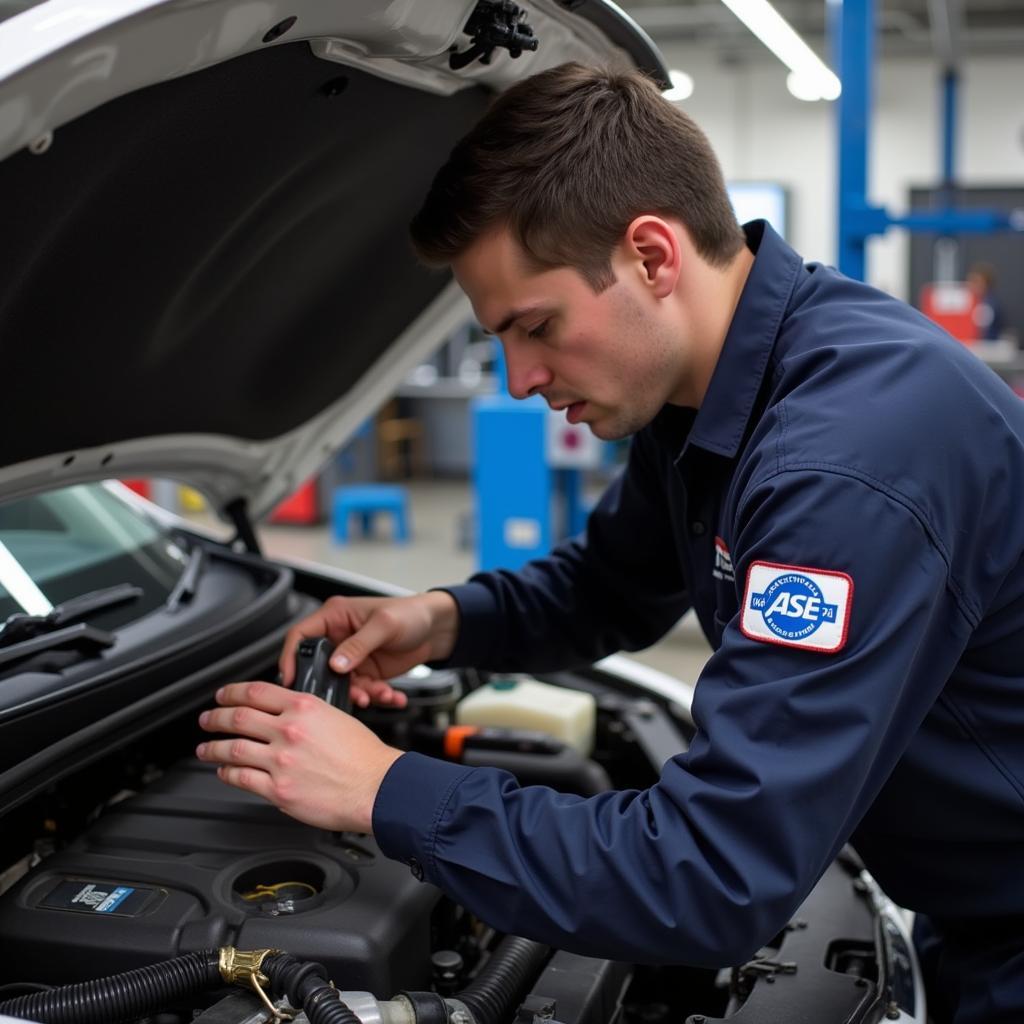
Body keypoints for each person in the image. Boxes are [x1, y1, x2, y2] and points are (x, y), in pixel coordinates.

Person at [195, 63, 1024, 1023]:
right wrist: (441, 621)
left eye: (535, 325)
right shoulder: (718, 385)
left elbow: (714, 875)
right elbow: (612, 586)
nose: (517, 378)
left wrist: (386, 787)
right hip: (975, 912)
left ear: (652, 256)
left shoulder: (839, 468)